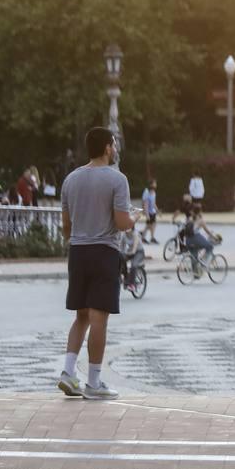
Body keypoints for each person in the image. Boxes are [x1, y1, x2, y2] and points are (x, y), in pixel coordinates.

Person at [58, 126, 139, 401]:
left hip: (78, 251)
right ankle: (93, 381)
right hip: (104, 251)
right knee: (98, 317)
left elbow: (66, 226)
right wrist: (134, 220)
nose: (115, 148)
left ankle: (68, 373)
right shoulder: (118, 180)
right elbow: (120, 222)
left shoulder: (70, 180)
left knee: (80, 316)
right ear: (107, 147)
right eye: (113, 144)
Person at [140, 180, 159, 244]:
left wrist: (157, 210)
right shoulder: (147, 192)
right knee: (149, 225)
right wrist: (147, 214)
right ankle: (144, 237)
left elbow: (153, 203)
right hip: (149, 212)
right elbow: (145, 204)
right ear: (151, 185)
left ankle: (150, 237)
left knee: (152, 225)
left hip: (153, 212)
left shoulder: (153, 192)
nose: (156, 185)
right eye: (154, 183)